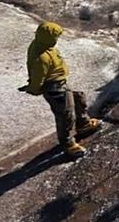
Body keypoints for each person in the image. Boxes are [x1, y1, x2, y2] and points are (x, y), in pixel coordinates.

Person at [19, 22, 101, 158]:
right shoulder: (42, 57)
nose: (57, 40)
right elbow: (38, 76)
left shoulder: (42, 45)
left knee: (77, 98)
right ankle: (68, 144)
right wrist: (34, 88)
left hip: (60, 82)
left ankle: (83, 124)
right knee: (66, 115)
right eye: (56, 37)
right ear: (49, 38)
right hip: (55, 88)